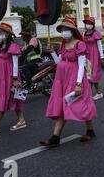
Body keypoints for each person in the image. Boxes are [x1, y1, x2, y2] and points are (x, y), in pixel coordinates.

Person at [40, 16, 97, 147]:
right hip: (62, 80)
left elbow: (81, 64)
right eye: (62, 30)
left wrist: (78, 84)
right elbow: (59, 62)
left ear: (73, 31)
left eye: (67, 29)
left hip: (75, 79)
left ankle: (89, 130)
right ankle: (55, 138)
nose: (64, 32)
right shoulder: (63, 45)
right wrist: (52, 53)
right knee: (62, 105)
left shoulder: (79, 44)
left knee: (81, 105)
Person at [82, 17, 104, 100]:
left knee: (93, 75)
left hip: (95, 56)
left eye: (90, 23)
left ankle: (91, 94)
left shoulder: (96, 33)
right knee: (89, 75)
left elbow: (99, 46)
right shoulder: (83, 33)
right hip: (86, 55)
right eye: (87, 23)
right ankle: (98, 92)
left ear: (93, 25)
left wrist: (102, 57)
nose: (88, 25)